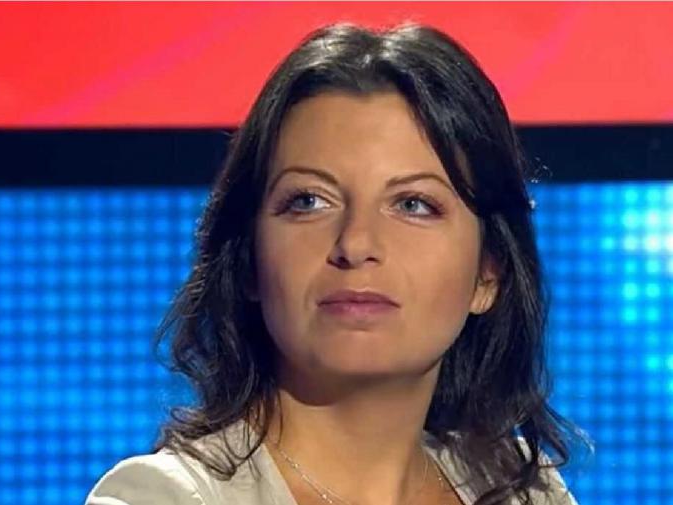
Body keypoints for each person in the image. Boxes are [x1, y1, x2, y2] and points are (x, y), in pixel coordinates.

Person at [85, 21, 591, 505]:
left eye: (413, 204)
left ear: (488, 273)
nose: (355, 243)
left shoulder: (520, 489)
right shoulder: (167, 497)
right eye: (308, 201)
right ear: (248, 260)